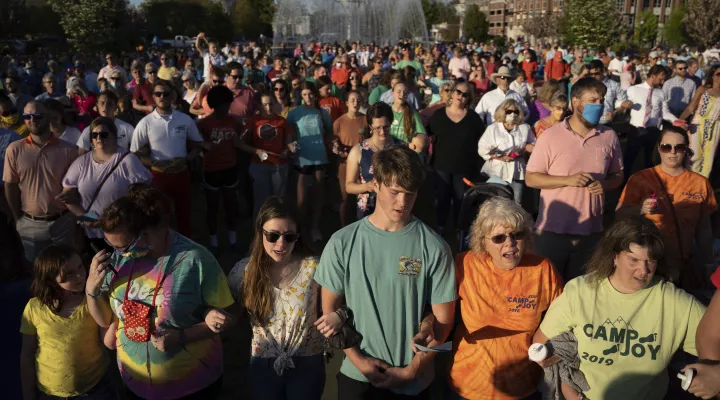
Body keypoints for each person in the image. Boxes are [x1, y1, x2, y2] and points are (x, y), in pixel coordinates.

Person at [315, 146, 456, 399]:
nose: (402, 202)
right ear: (375, 184)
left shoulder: (435, 247)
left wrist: (413, 370)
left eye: (409, 193)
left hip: (414, 383)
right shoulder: (342, 242)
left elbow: (444, 327)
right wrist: (359, 362)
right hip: (356, 378)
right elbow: (329, 314)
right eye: (395, 192)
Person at [85, 185, 235, 399]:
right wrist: (91, 289)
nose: (118, 253)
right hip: (134, 385)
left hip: (190, 387)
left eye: (123, 246)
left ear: (144, 234)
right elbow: (106, 320)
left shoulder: (195, 259)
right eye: (111, 245)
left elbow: (229, 315)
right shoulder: (118, 261)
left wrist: (181, 336)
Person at [533, 216, 706, 400]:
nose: (644, 270)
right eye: (634, 260)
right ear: (614, 257)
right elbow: (541, 344)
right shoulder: (580, 292)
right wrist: (571, 391)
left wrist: (710, 373)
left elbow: (713, 342)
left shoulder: (675, 302)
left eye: (651, 260)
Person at [448, 197, 563, 400]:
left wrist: (550, 351)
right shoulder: (464, 265)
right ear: (482, 241)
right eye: (498, 238)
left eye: (516, 235)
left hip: (523, 387)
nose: (509, 243)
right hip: (469, 385)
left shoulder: (542, 269)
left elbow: (563, 320)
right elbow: (436, 308)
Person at [227, 197, 330, 399]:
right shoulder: (244, 271)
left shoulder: (314, 268)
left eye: (289, 237)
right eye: (273, 236)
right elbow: (228, 308)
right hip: (263, 363)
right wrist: (214, 315)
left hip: (307, 362)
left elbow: (339, 304)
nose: (280, 244)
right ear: (260, 234)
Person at [526, 78, 624, 281]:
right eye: (593, 100)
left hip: (591, 232)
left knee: (582, 295)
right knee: (548, 292)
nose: (599, 105)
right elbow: (531, 179)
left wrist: (604, 184)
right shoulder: (550, 136)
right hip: (551, 233)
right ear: (577, 102)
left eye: (602, 100)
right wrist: (567, 180)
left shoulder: (609, 136)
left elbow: (618, 175)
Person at [616, 125, 715, 285]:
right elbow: (619, 214)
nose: (673, 152)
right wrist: (640, 209)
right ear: (658, 148)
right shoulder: (641, 179)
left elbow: (704, 229)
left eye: (679, 147)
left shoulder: (700, 183)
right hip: (648, 265)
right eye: (666, 147)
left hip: (683, 262)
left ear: (686, 150)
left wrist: (708, 262)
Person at [20, 245, 114, 400]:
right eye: (69, 274)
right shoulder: (34, 308)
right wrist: (28, 395)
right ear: (49, 278)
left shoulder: (93, 299)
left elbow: (105, 322)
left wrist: (92, 293)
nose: (80, 276)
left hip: (95, 388)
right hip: (50, 393)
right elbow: (27, 354)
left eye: (80, 267)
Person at [60, 116, 151, 252]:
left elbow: (142, 193)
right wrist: (85, 217)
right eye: (94, 135)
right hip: (94, 235)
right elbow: (67, 196)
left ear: (115, 137)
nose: (99, 138)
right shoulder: (81, 162)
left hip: (123, 232)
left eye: (104, 134)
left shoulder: (128, 160)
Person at [4, 100, 79, 262]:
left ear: (49, 118)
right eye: (27, 116)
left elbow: (78, 185)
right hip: (30, 225)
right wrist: (18, 219)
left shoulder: (69, 149)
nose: (32, 120)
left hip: (64, 223)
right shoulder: (14, 149)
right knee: (37, 273)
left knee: (67, 269)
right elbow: (10, 186)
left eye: (37, 115)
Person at [130, 80, 203, 237]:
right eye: (158, 94)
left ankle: (186, 248)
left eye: (166, 94)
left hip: (181, 174)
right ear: (153, 97)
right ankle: (163, 249)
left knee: (184, 215)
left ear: (173, 96)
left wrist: (186, 160)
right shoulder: (145, 123)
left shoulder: (185, 119)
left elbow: (198, 145)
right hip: (158, 176)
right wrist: (153, 162)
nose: (162, 96)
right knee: (161, 215)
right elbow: (135, 152)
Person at [427, 82, 483, 235]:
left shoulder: (473, 118)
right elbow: (427, 135)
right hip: (441, 166)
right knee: (443, 198)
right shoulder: (438, 115)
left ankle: (460, 230)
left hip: (465, 167)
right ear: (451, 93)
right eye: (458, 92)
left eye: (465, 94)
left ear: (469, 98)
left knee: (461, 200)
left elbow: (482, 140)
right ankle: (440, 228)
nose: (461, 96)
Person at [197, 86, 242, 252]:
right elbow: (195, 144)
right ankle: (214, 241)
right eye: (224, 105)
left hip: (230, 168)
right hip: (211, 171)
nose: (227, 108)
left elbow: (240, 143)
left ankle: (233, 240)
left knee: (231, 205)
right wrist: (205, 145)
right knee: (212, 207)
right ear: (215, 105)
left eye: (228, 104)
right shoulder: (203, 124)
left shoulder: (234, 122)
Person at [286, 82, 332, 242]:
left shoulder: (322, 112)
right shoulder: (294, 113)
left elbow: (329, 133)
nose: (308, 97)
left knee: (318, 196)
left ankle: (314, 227)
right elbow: (289, 134)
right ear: (301, 95)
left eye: (310, 93)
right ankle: (299, 229)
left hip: (319, 156)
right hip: (301, 158)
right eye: (304, 94)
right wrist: (290, 145)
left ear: (315, 94)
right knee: (301, 199)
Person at [344, 103, 402, 220]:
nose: (382, 131)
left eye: (386, 127)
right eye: (377, 128)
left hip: (394, 207)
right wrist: (368, 186)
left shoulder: (401, 148)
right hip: (368, 209)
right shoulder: (358, 151)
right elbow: (349, 186)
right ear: (370, 127)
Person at [241, 93, 295, 215]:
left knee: (278, 201)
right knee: (261, 202)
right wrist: (256, 151)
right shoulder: (253, 121)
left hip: (279, 165)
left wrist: (287, 151)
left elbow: (289, 142)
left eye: (270, 104)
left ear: (275, 104)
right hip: (259, 165)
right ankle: (259, 230)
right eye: (264, 105)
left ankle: (277, 227)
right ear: (259, 106)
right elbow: (240, 143)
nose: (268, 108)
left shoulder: (282, 121)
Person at [625, 65, 682, 180]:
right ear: (653, 76)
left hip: (652, 131)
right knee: (629, 160)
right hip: (636, 131)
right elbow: (622, 102)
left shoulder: (660, 93)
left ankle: (649, 185)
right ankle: (623, 185)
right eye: (661, 78)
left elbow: (664, 112)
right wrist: (622, 104)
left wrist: (675, 120)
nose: (662, 81)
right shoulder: (634, 89)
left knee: (650, 161)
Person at [478, 99, 536, 205]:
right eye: (509, 112)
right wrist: (499, 157)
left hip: (517, 170)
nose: (512, 114)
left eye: (516, 112)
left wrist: (526, 148)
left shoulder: (524, 127)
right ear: (503, 112)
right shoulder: (493, 128)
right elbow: (482, 149)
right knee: (496, 201)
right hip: (497, 170)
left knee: (517, 201)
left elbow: (533, 144)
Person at [679, 64, 720, 181]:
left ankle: (700, 188)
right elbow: (690, 108)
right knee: (694, 156)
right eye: (718, 74)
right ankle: (688, 184)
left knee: (708, 159)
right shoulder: (703, 89)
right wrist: (679, 122)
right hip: (697, 126)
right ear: (712, 75)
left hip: (715, 128)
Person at [333, 91, 367, 227]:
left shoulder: (366, 120)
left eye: (358, 100)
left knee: (363, 196)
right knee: (345, 197)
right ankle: (343, 227)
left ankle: (363, 226)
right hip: (345, 165)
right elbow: (334, 142)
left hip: (363, 165)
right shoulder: (339, 122)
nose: (355, 103)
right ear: (346, 103)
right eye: (352, 100)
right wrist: (337, 149)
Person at [389, 82, 427, 153]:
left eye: (405, 92)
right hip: (388, 151)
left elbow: (422, 134)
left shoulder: (412, 113)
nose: (402, 94)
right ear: (393, 93)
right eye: (399, 91)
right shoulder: (386, 112)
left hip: (405, 153)